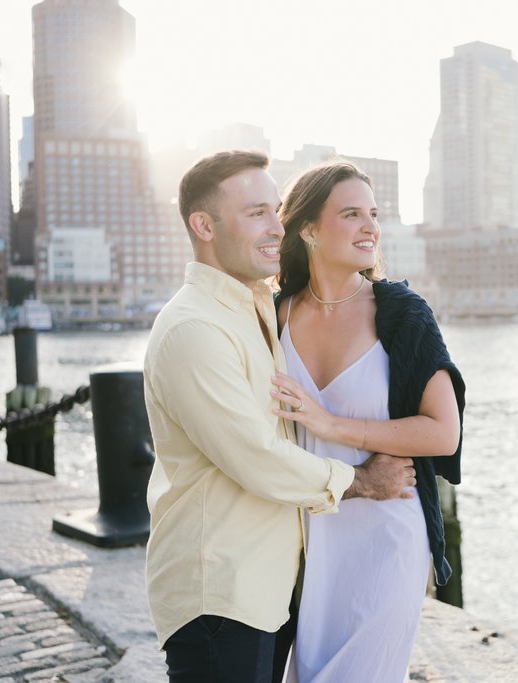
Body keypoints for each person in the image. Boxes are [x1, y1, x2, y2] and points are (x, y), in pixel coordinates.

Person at [142, 150, 418, 683]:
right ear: (203, 225)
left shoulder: (259, 307)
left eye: (275, 210)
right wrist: (361, 480)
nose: (276, 228)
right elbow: (257, 458)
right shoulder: (194, 329)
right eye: (255, 214)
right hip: (220, 594)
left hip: (270, 587)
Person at [269, 160, 465, 682]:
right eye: (351, 213)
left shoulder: (400, 312)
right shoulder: (273, 317)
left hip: (388, 538)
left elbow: (443, 431)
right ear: (308, 229)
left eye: (373, 215)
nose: (370, 227)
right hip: (309, 544)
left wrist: (332, 425)